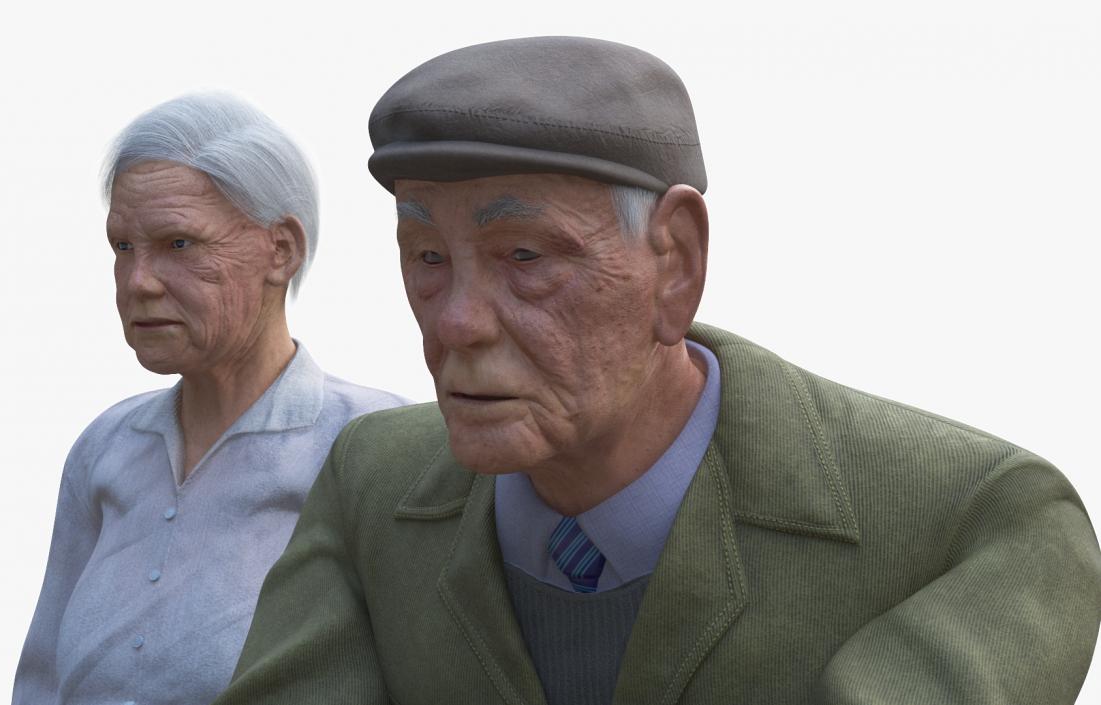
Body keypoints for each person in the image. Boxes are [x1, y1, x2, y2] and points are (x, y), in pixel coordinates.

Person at [214, 37, 1101, 705]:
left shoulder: (986, 521)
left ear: (673, 262)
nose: (455, 321)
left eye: (524, 254)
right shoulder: (367, 485)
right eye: (425, 255)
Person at [11, 92, 409, 705]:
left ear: (282, 249)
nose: (138, 282)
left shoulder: (373, 446)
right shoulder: (106, 449)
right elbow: (41, 678)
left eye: (179, 244)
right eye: (122, 247)